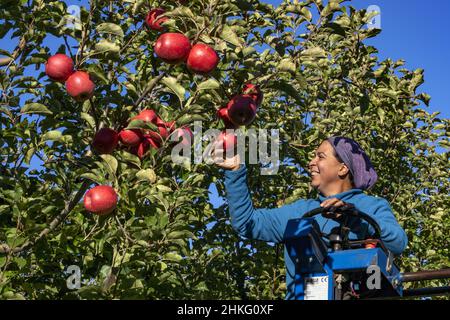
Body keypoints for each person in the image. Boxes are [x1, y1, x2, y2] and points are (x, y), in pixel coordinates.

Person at [213, 136, 408, 300]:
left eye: (320, 156)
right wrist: (235, 171)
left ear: (342, 168)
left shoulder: (371, 206)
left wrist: (355, 215)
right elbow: (246, 223)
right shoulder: (300, 212)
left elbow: (398, 242)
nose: (311, 162)